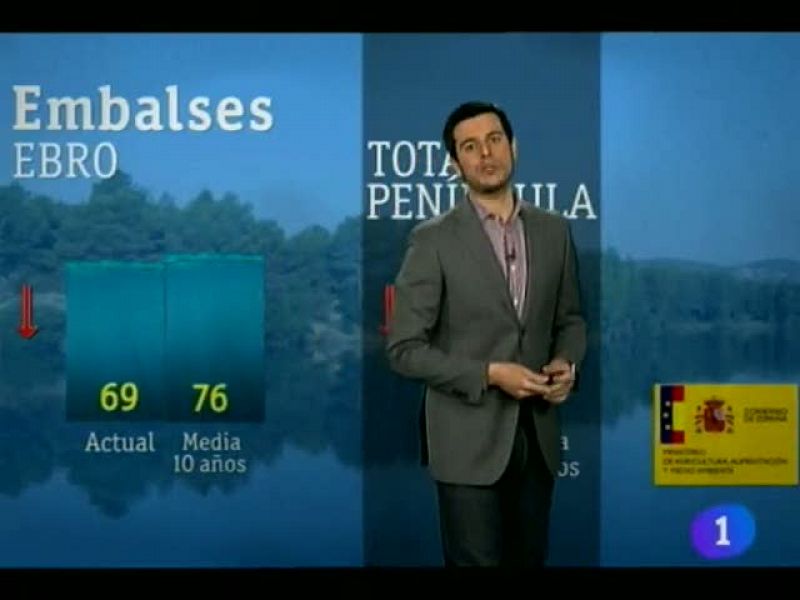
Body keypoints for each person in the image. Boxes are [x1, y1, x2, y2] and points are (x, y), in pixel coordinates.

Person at [385, 101, 586, 567]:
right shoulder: (432, 239)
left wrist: (566, 364)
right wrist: (490, 374)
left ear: (513, 147)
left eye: (494, 140)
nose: (486, 154)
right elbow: (404, 349)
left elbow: (571, 320)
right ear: (455, 164)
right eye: (470, 147)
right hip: (466, 444)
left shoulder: (555, 231)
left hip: (537, 442)